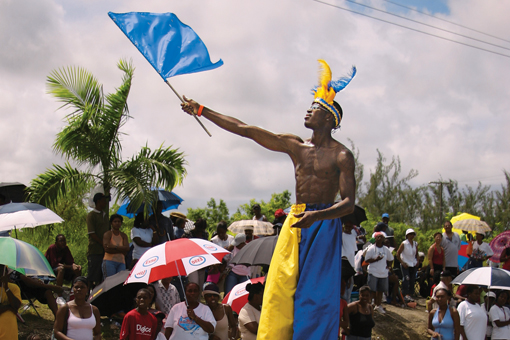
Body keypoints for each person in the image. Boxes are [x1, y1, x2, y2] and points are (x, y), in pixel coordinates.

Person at [180, 60, 356, 340]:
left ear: (330, 119)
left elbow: (348, 203)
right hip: (297, 218)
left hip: (324, 222)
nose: (309, 110)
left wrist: (318, 217)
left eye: (316, 107)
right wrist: (202, 110)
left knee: (316, 293)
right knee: (279, 287)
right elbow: (245, 129)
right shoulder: (295, 145)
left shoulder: (342, 155)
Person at [365, 232, 394, 314]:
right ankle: (370, 305)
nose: (380, 238)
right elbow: (366, 260)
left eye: (382, 237)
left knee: (380, 290)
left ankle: (378, 305)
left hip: (383, 273)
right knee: (372, 290)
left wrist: (389, 266)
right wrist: (376, 259)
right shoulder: (371, 248)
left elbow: (391, 258)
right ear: (375, 238)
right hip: (373, 272)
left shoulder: (386, 249)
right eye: (378, 237)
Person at [87, 192, 110, 288]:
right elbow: (92, 233)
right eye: (104, 200)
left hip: (106, 251)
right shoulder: (91, 215)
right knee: (92, 275)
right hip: (95, 250)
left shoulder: (105, 215)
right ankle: (87, 295)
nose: (105, 202)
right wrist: (103, 243)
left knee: (102, 275)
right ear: (99, 201)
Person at [102, 214, 129, 279]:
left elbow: (127, 248)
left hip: (121, 262)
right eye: (115, 221)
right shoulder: (108, 234)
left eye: (119, 221)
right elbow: (107, 248)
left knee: (120, 282)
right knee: (110, 282)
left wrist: (114, 247)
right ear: (111, 223)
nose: (117, 223)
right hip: (109, 262)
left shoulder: (123, 235)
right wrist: (121, 249)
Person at [0, 264, 21, 340]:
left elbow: (16, 306)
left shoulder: (14, 288)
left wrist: (6, 287)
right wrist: (9, 307)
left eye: (3, 271)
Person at [397, 228, 419, 302]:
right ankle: (404, 294)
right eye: (410, 234)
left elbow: (416, 253)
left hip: (413, 263)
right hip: (405, 263)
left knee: (412, 280)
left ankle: (410, 294)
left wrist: (417, 261)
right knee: (406, 279)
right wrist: (402, 262)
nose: (411, 236)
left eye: (412, 234)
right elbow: (398, 254)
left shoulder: (415, 244)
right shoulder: (404, 243)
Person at [341, 215, 358, 302]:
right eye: (346, 226)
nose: (347, 228)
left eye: (349, 226)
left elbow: (353, 252)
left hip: (351, 265)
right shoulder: (341, 235)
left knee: (349, 288)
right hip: (344, 265)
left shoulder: (353, 236)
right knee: (343, 288)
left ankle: (346, 308)